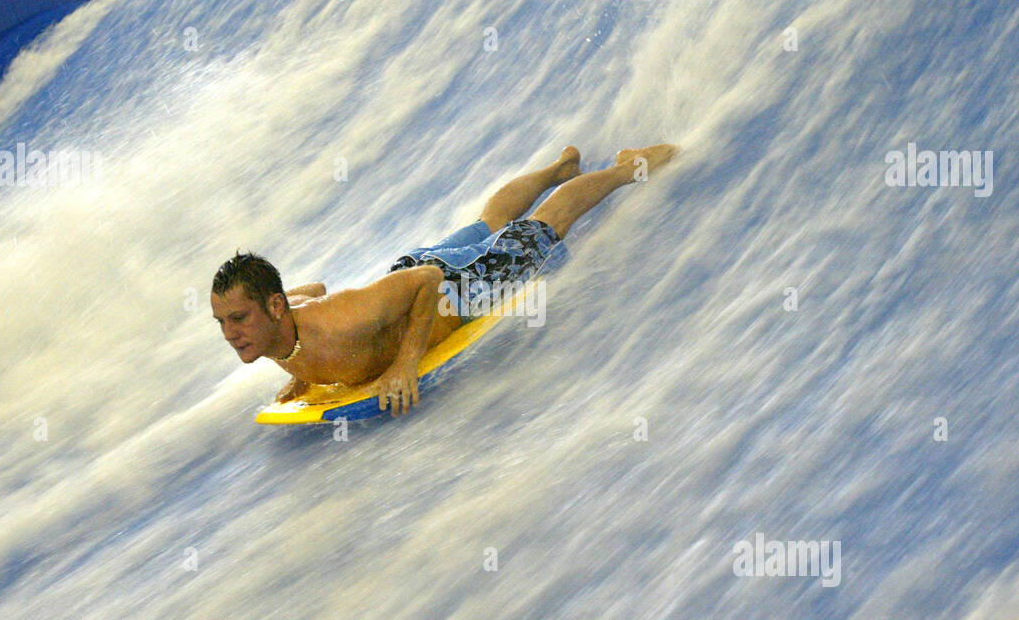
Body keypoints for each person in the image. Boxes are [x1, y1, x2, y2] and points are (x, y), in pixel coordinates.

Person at [211, 143, 678, 416]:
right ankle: (560, 168)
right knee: (489, 223)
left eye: (238, 318)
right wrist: (300, 372)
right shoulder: (275, 331)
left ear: (273, 307)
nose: (231, 334)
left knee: (543, 228)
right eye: (222, 323)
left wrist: (406, 363)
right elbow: (310, 291)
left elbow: (429, 281)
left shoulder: (335, 324)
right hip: (406, 274)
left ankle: (626, 167)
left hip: (454, 292)